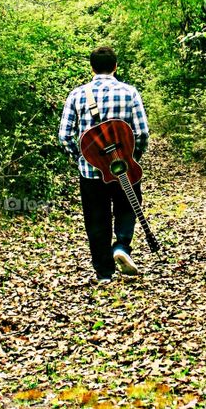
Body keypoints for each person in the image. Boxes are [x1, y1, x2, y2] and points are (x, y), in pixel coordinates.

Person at [58, 46, 150, 284]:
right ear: (115, 66)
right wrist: (131, 158)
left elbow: (65, 135)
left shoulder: (77, 95)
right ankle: (121, 245)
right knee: (128, 206)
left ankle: (104, 273)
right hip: (124, 168)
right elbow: (141, 132)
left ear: (92, 67)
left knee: (96, 218)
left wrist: (81, 158)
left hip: (91, 172)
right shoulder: (130, 93)